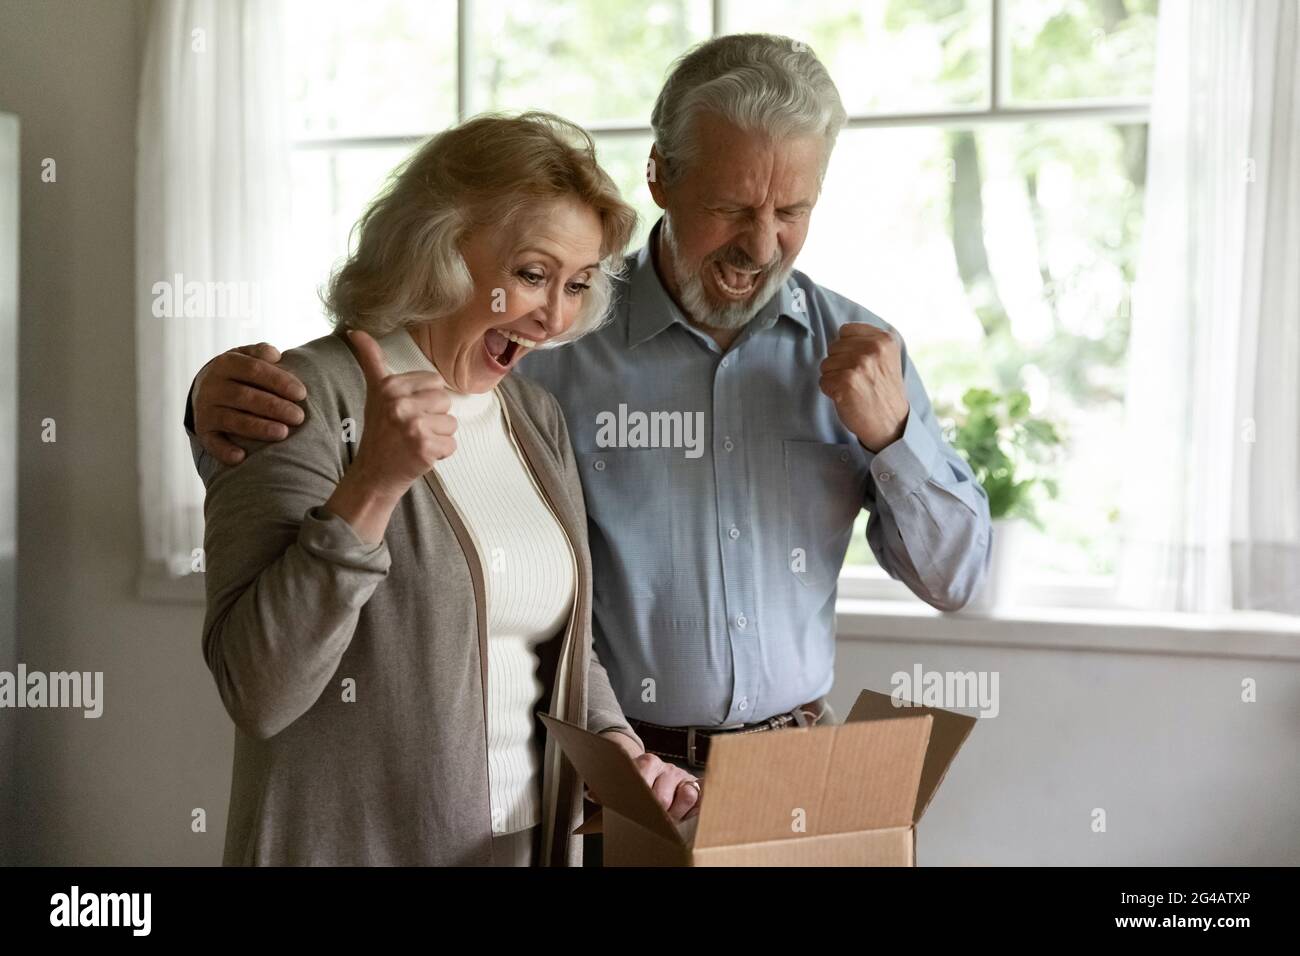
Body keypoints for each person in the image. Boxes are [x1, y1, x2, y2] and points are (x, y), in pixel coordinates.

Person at [188, 35, 992, 782]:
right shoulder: (548, 344)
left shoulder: (862, 355)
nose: (760, 244)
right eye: (730, 208)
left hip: (791, 768)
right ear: (660, 178)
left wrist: (893, 440)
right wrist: (208, 407)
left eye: (792, 212)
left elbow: (959, 581)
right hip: (598, 775)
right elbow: (387, 389)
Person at [195, 111, 698, 866]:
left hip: (522, 847)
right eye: (531, 274)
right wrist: (373, 487)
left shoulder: (535, 417)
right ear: (439, 252)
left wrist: (620, 746)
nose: (555, 315)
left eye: (578, 284)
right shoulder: (302, 396)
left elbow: (555, 643)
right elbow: (259, 690)